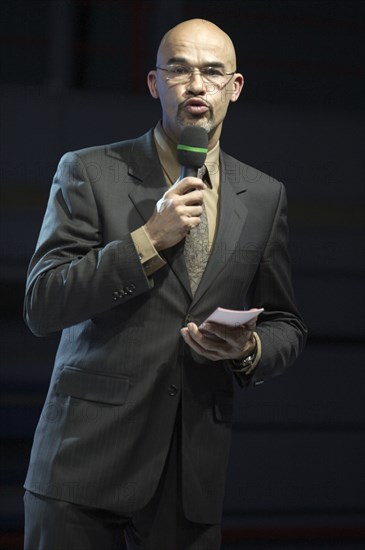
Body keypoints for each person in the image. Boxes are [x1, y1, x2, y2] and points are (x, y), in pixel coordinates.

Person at [23, 18, 307, 550]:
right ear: (154, 83)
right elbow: (42, 303)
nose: (196, 85)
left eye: (212, 72)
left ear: (234, 88)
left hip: (190, 475)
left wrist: (250, 348)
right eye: (178, 70)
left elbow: (286, 323)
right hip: (83, 464)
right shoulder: (89, 171)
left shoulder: (265, 195)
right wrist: (146, 240)